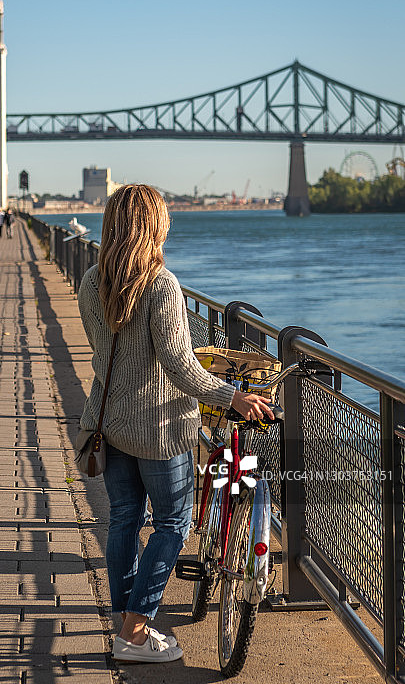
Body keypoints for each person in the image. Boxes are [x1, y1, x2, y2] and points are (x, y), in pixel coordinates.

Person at [77, 184, 274, 664]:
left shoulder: (90, 281)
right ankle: (137, 633)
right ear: (152, 226)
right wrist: (235, 396)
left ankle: (127, 625)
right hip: (160, 431)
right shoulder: (161, 285)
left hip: (109, 423)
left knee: (124, 519)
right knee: (172, 522)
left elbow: (109, 359)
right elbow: (183, 370)